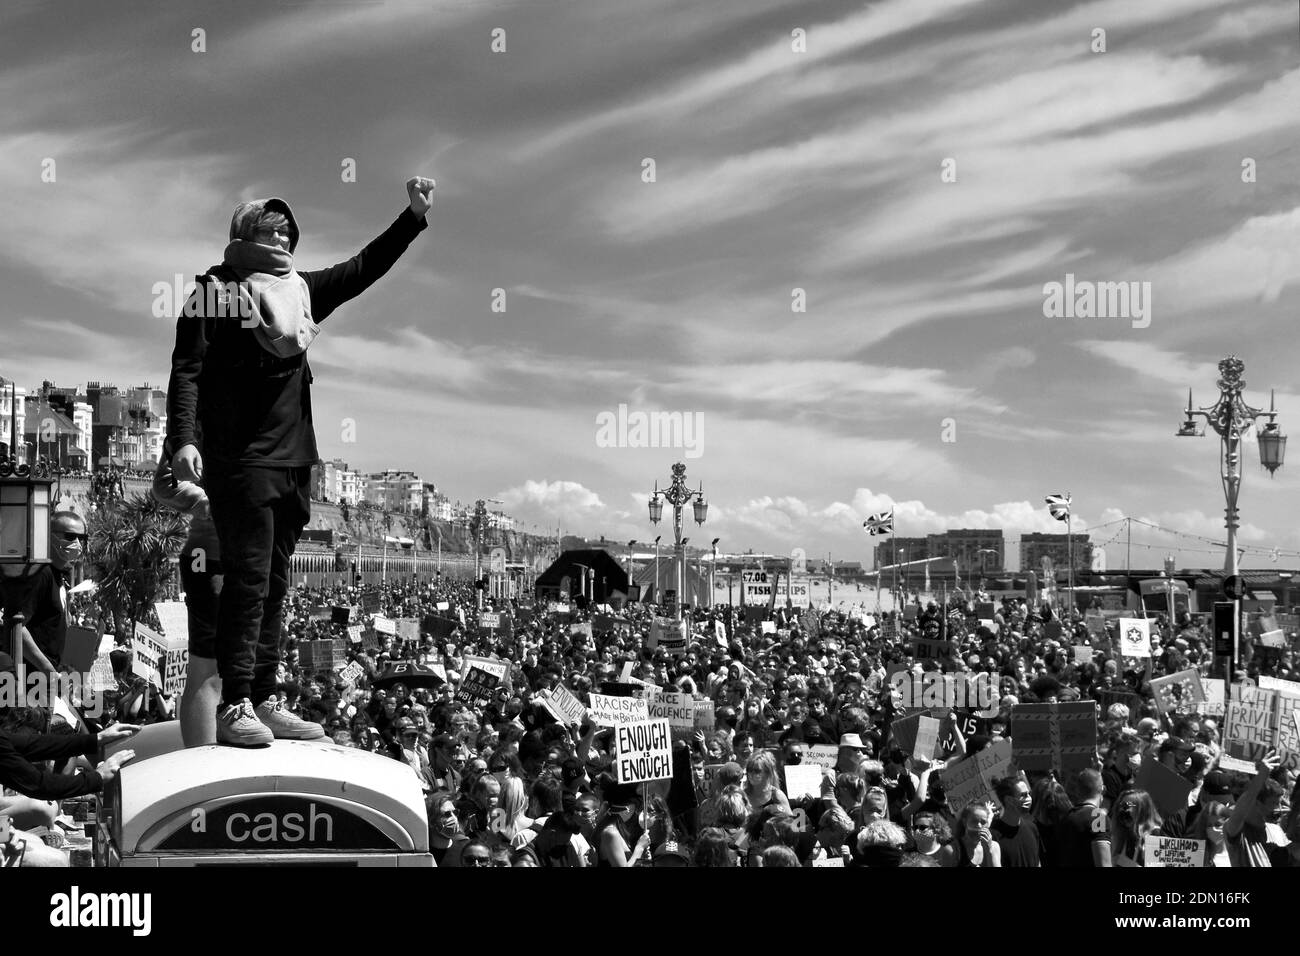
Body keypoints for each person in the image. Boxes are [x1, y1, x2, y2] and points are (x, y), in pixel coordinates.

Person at [166, 177, 435, 745]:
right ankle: (235, 702)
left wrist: (411, 216)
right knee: (247, 577)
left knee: (278, 582)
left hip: (293, 459)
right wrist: (182, 440)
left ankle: (263, 696)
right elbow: (187, 369)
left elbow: (364, 267)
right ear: (245, 232)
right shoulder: (213, 291)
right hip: (240, 459)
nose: (284, 235)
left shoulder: (303, 292)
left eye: (289, 228)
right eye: (272, 227)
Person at [151, 441, 221, 746]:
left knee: (238, 662)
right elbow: (164, 487)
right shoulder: (204, 490)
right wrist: (177, 443)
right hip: (210, 560)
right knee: (209, 667)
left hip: (244, 560)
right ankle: (202, 757)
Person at [1054, 768, 1111, 867]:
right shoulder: (1097, 817)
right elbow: (1104, 863)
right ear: (1102, 789)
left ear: (1078, 791)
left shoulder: (1066, 817)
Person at [991, 775, 1043, 867]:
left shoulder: (1032, 827)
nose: (1028, 798)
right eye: (1023, 795)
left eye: (1028, 794)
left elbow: (1037, 861)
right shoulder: (993, 837)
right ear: (1009, 800)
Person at [1109, 788, 1161, 867]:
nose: (1121, 810)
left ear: (1141, 810)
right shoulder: (1122, 834)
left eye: (1127, 806)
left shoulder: (1155, 835)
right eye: (1121, 805)